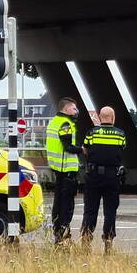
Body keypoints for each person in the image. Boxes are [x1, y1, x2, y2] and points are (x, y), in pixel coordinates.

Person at [80, 106, 126, 254]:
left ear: (100, 117)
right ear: (113, 117)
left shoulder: (92, 133)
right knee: (110, 211)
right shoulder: (120, 135)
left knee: (90, 210)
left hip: (93, 176)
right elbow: (122, 149)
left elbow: (85, 149)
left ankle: (86, 242)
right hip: (112, 177)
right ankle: (108, 242)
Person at [45, 97, 83, 244]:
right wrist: (83, 150)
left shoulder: (54, 122)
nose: (76, 111)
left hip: (57, 169)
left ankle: (57, 232)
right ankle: (63, 233)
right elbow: (68, 146)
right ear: (66, 109)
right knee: (67, 205)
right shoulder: (65, 124)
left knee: (58, 202)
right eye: (74, 108)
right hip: (66, 168)